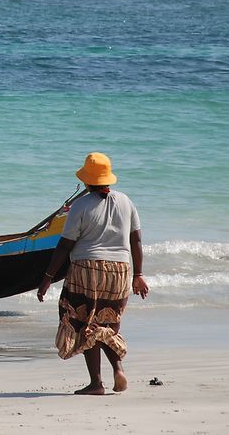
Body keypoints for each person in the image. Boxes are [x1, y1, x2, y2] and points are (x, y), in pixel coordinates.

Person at [36, 152, 149, 395]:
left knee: (85, 322)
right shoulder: (126, 202)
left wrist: (47, 277)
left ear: (87, 181)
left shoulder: (80, 206)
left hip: (87, 268)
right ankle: (118, 370)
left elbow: (65, 244)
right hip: (120, 270)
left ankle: (96, 383)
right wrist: (138, 274)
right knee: (107, 324)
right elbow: (136, 240)